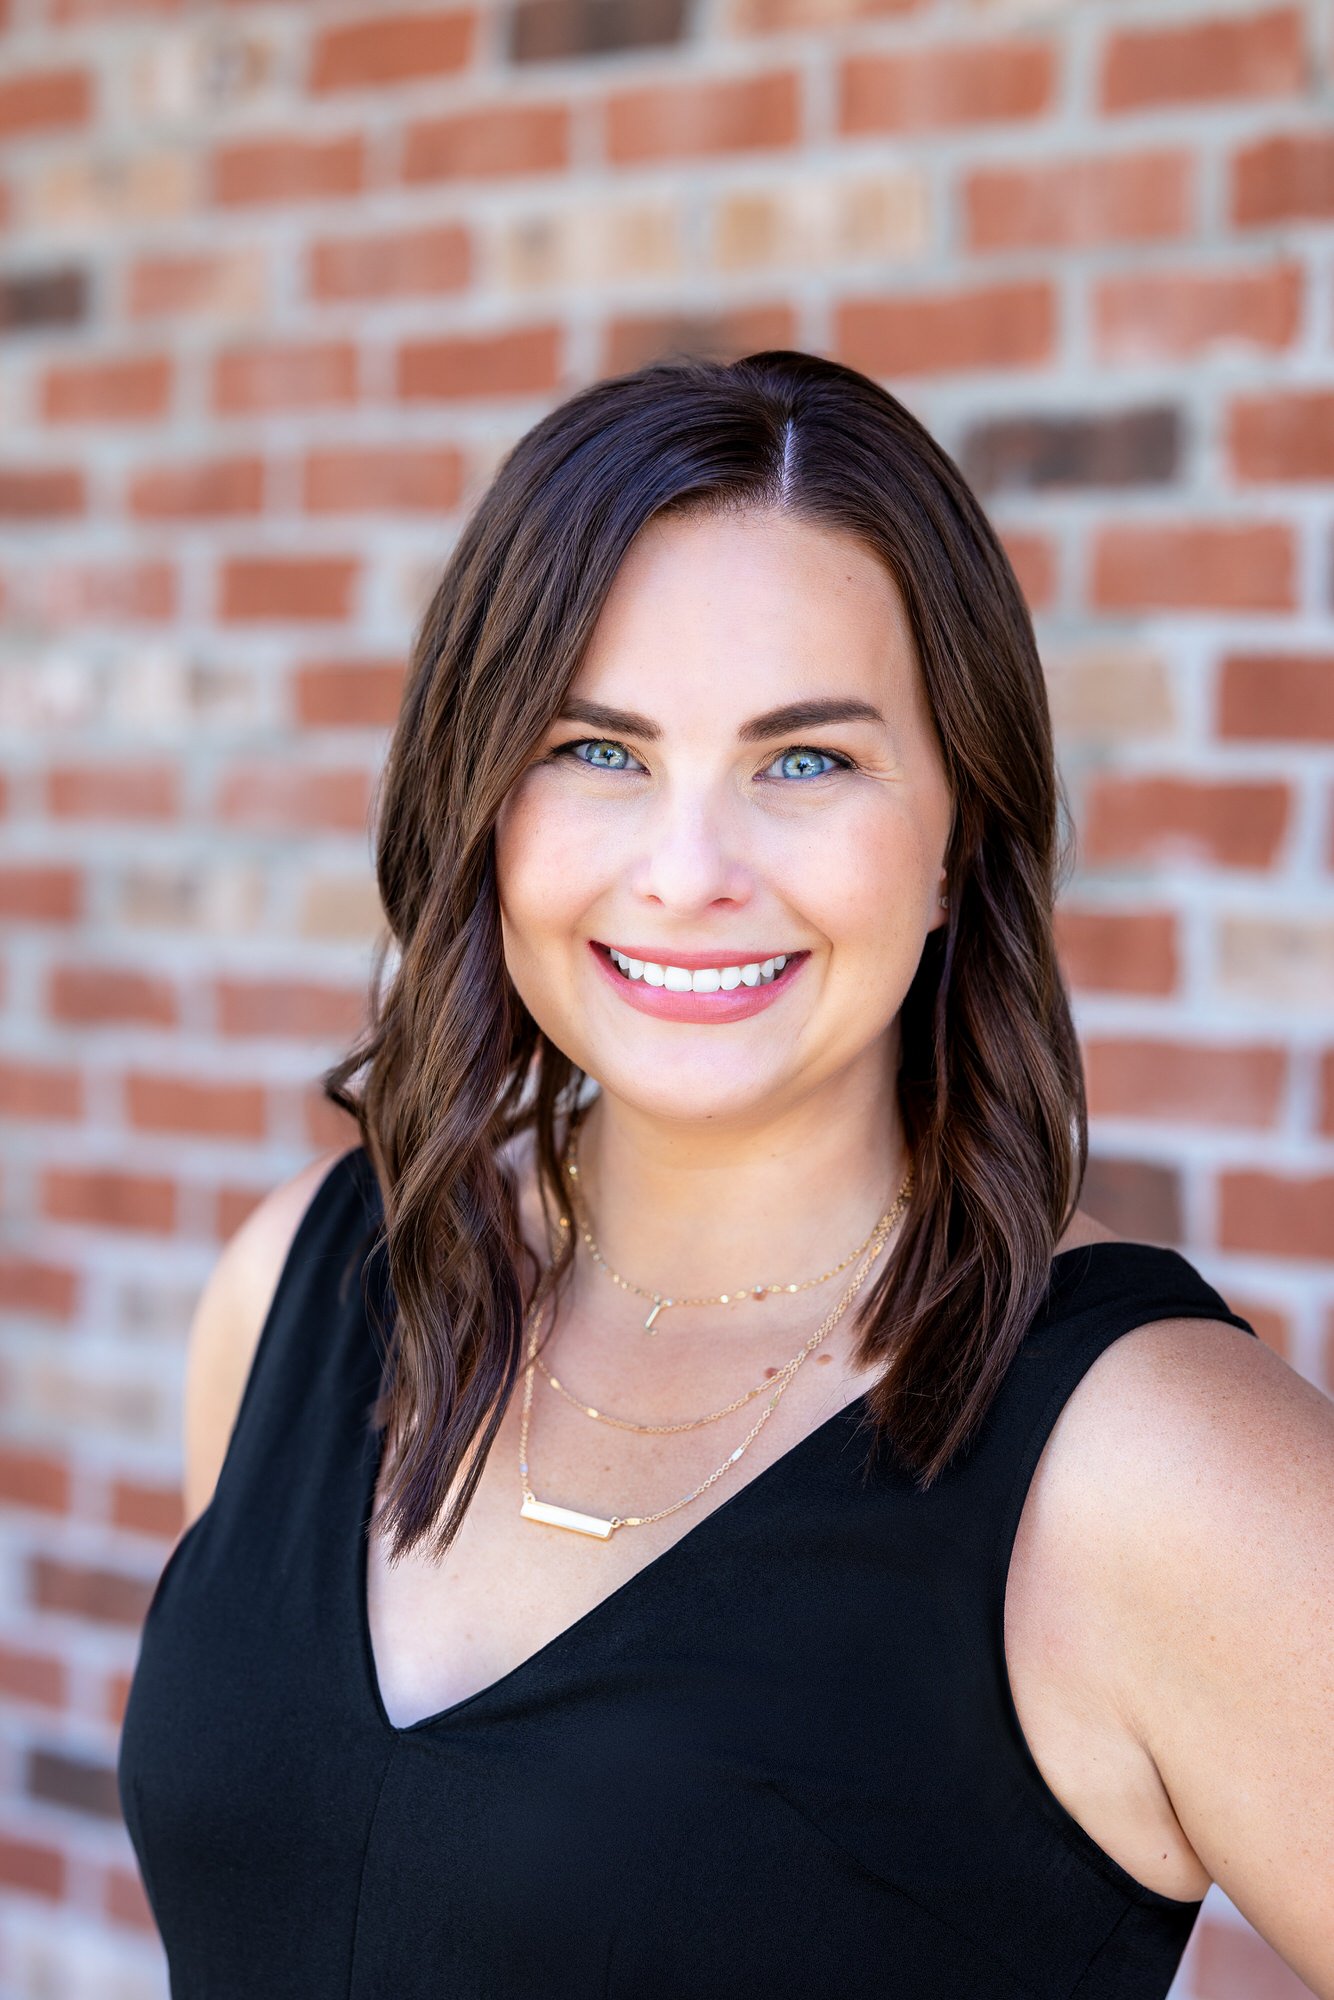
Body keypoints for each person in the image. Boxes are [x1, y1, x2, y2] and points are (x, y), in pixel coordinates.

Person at [117, 350, 1333, 1998]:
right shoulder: (304, 1288)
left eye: (806, 760)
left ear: (958, 831)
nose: (687, 872)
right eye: (596, 751)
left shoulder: (1147, 1462)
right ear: (482, 798)